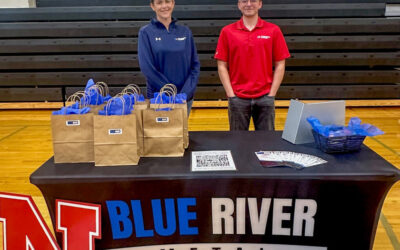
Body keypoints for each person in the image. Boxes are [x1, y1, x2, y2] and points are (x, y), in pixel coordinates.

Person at [214, 0, 290, 131]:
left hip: (265, 98)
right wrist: (231, 95)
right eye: (244, 1)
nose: (249, 4)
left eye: (253, 1)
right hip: (237, 99)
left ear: (260, 4)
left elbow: (280, 64)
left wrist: (271, 94)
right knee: (237, 144)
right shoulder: (227, 31)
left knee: (267, 145)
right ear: (239, 5)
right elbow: (221, 65)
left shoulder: (273, 30)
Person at [138, 0, 200, 115]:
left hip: (185, 98)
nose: (164, 6)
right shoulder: (146, 32)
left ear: (173, 3)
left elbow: (195, 65)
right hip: (159, 98)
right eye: (159, 2)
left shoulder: (185, 32)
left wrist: (185, 94)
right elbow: (147, 68)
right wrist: (170, 93)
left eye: (167, 2)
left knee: (181, 133)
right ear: (152, 6)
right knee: (159, 133)